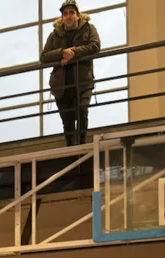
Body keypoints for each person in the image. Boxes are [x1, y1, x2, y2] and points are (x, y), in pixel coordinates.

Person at [40, 0, 101, 147]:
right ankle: (71, 150)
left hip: (83, 83)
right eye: (65, 13)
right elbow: (43, 57)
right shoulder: (54, 35)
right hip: (61, 86)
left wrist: (73, 53)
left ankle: (82, 146)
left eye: (71, 12)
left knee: (82, 112)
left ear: (78, 15)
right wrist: (61, 53)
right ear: (62, 18)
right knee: (67, 121)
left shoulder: (88, 28)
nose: (68, 16)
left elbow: (95, 46)